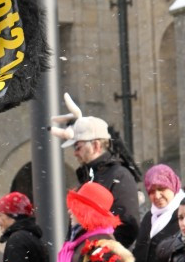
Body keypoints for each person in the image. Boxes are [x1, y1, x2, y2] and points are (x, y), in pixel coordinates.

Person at [51, 94, 140, 248]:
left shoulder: (119, 176)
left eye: (78, 146)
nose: (75, 153)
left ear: (96, 145)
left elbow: (127, 228)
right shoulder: (92, 176)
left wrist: (97, 253)